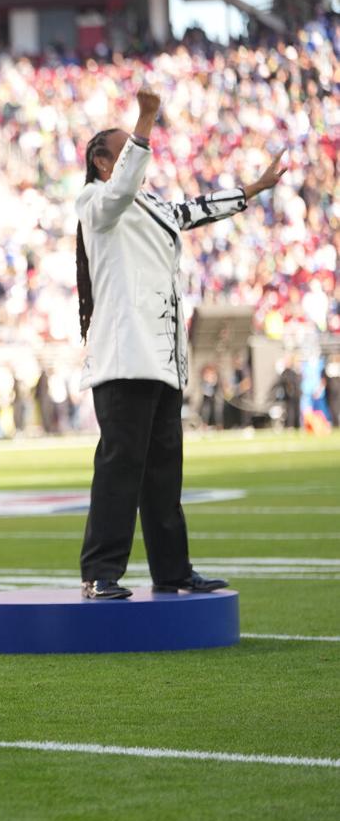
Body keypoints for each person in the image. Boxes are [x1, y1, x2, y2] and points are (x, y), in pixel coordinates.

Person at [74, 86, 289, 599]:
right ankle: (100, 572)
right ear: (103, 162)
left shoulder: (149, 205)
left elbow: (192, 210)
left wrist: (252, 189)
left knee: (165, 473)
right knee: (120, 466)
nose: (137, 154)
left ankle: (173, 571)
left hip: (163, 359)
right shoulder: (97, 202)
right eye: (125, 148)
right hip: (125, 358)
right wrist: (146, 119)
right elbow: (124, 185)